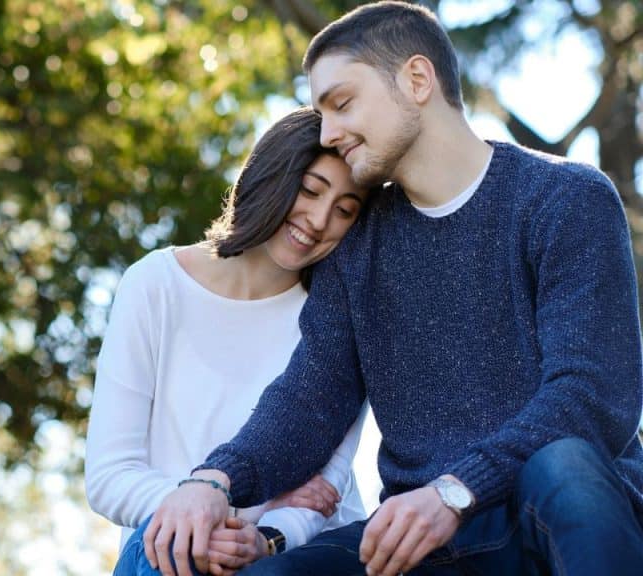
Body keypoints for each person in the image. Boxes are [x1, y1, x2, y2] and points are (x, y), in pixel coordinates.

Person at [141, 3, 643, 576]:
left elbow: (590, 397)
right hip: (421, 540)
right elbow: (309, 397)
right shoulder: (359, 246)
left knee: (566, 465)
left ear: (417, 79)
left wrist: (456, 492)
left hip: (553, 516)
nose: (328, 132)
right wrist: (215, 479)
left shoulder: (565, 199)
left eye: (342, 103)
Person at [85, 106, 371, 575]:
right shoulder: (155, 285)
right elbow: (110, 476)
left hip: (296, 556)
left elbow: (329, 483)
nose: (319, 220)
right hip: (172, 554)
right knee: (181, 543)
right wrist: (211, 510)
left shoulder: (339, 319)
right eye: (310, 190)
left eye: (344, 211)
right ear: (270, 176)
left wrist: (266, 538)